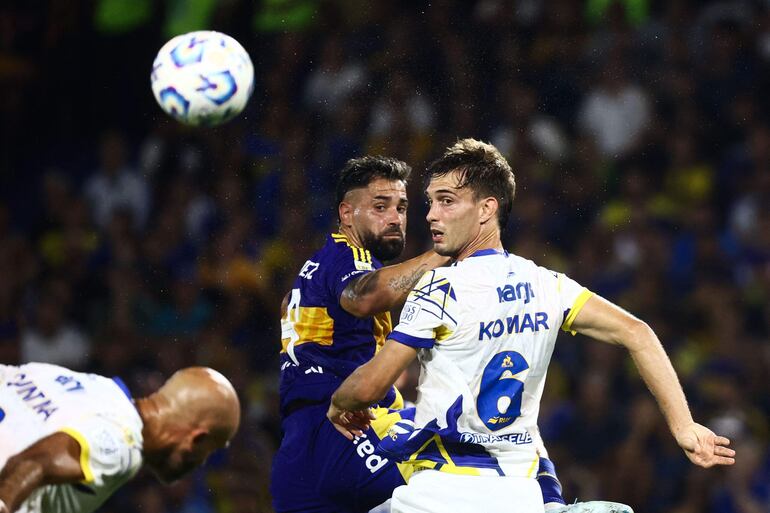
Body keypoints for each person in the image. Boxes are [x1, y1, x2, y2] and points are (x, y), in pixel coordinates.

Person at [328, 139, 736, 513]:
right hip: (520, 491)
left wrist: (339, 400)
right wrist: (684, 427)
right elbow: (638, 333)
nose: (432, 215)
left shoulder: (439, 288)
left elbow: (368, 388)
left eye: (447, 201)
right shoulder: (548, 284)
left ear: (487, 209)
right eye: (431, 202)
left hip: (442, 492)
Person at [270, 155, 450, 513]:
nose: (395, 218)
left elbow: (291, 306)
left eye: (401, 207)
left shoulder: (318, 267)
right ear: (347, 213)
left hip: (299, 449)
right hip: (341, 433)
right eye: (380, 206)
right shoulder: (348, 256)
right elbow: (362, 297)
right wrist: (448, 251)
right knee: (461, 474)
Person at [0, 363, 240, 513]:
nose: (202, 463)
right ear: (196, 439)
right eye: (210, 450)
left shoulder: (78, 383)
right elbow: (36, 461)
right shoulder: (124, 444)